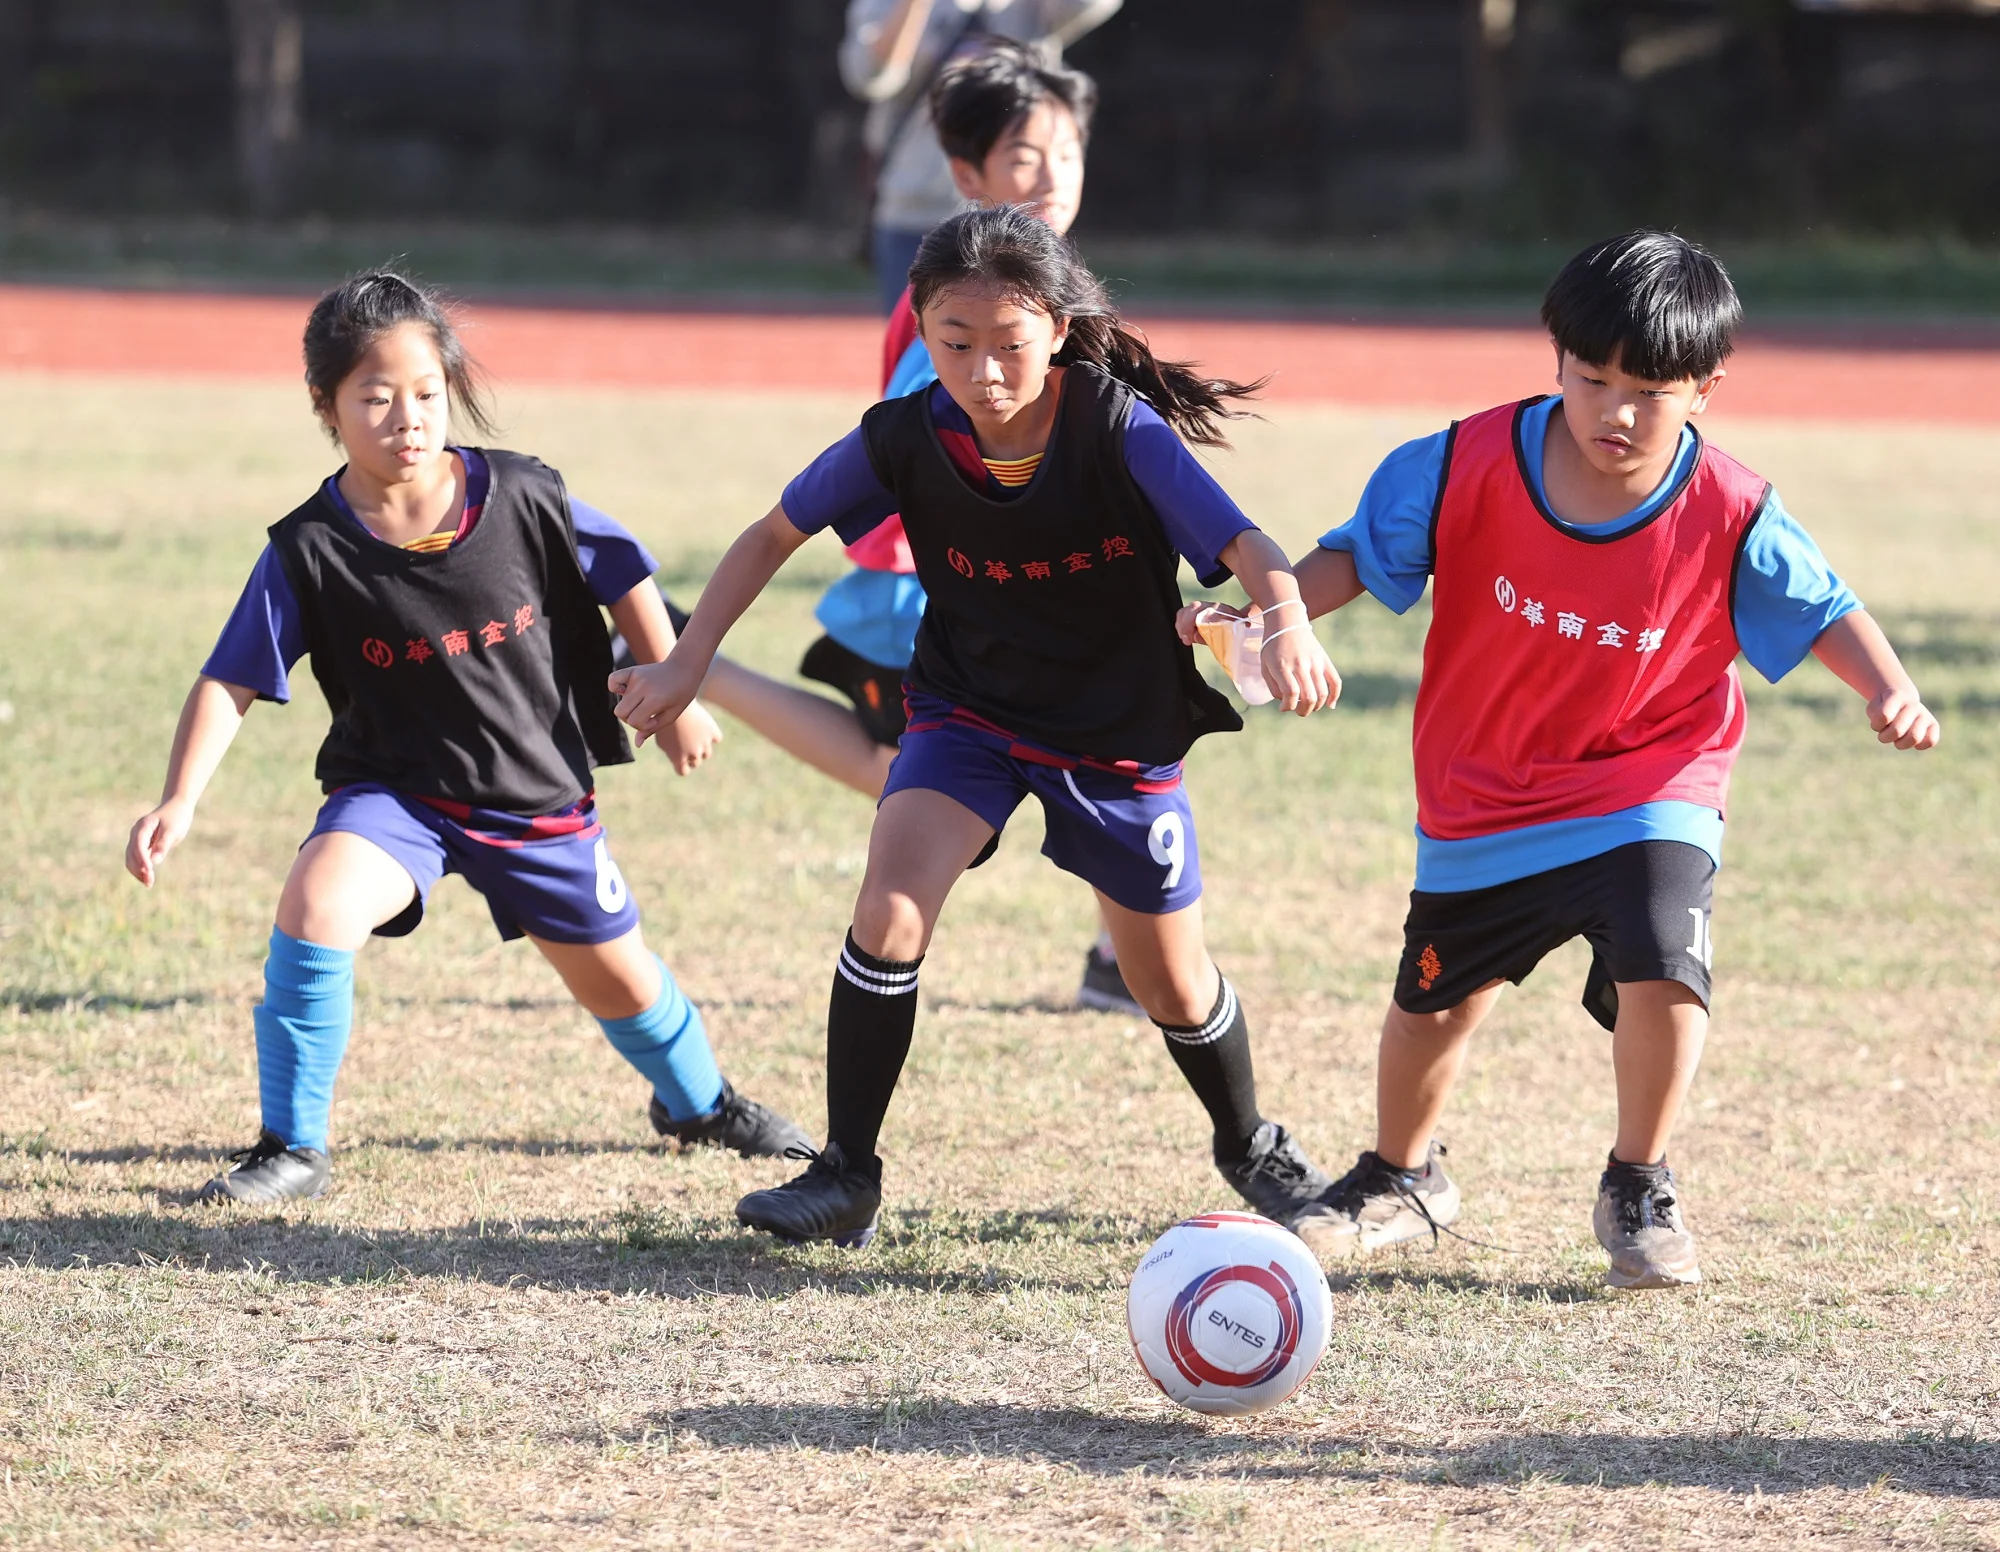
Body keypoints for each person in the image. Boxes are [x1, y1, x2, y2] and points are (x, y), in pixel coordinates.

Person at [609, 206, 1343, 1249]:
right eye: (955, 344)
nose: (984, 370)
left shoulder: (1114, 424)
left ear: (1054, 327)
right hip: (969, 711)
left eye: (1009, 345)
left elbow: (1246, 543)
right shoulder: (904, 436)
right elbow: (774, 530)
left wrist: (1286, 621)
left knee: (1167, 982)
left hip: (1114, 729)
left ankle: (1247, 1142)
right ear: (918, 330)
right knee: (889, 911)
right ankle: (845, 1173)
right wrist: (687, 661)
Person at [1223, 231, 1940, 1288]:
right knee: (1433, 1007)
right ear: (1552, 357)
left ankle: (1637, 1181)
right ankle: (1398, 1177)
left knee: (1665, 963)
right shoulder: (1460, 461)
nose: (1612, 412)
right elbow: (1349, 558)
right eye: (1589, 378)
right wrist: (1268, 618)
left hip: (1652, 780)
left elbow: (1822, 606)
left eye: (1648, 391)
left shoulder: (1732, 509)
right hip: (1486, 793)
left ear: (1704, 387)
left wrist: (1888, 687)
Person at [123, 271, 809, 1203]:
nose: (406, 416)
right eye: (375, 397)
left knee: (624, 984)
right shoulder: (308, 550)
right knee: (317, 905)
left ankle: (699, 1104)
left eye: (425, 393)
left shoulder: (524, 494)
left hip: (534, 796)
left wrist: (672, 686)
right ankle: (292, 1145)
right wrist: (180, 797)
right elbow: (231, 678)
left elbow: (624, 571)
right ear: (326, 406)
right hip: (395, 792)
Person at [634, 42, 1143, 1015]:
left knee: (1044, 755)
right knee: (1034, 758)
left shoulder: (1033, 281)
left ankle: (1115, 961)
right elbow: (919, 440)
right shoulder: (964, 305)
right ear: (968, 175)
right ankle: (1116, 962)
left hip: (981, 595)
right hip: (937, 596)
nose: (1052, 179)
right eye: (1025, 159)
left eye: (1067, 155)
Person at [841, 0, 1121, 312]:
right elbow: (872, 78)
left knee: (1025, 341)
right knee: (929, 344)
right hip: (917, 212)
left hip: (1018, 215)